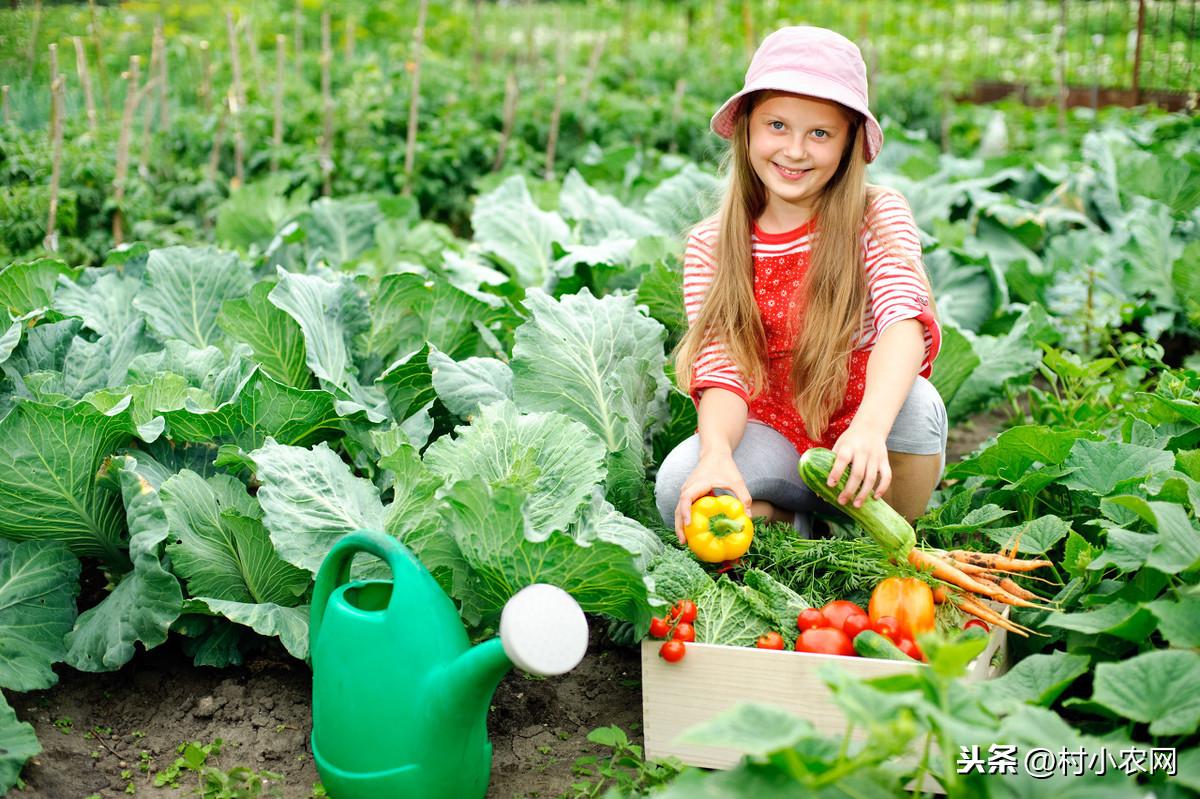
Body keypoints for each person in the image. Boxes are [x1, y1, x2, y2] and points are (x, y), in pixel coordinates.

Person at [655, 26, 947, 545]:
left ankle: (887, 543)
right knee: (681, 481)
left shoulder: (875, 213)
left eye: (819, 133)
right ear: (747, 129)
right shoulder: (712, 244)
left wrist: (871, 427)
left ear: (849, 142)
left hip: (864, 418)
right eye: (777, 125)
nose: (794, 150)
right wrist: (718, 455)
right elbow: (723, 366)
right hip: (772, 431)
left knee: (917, 405)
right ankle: (803, 526)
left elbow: (903, 316)